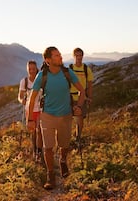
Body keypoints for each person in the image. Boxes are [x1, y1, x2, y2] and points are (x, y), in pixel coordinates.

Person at [27, 46, 86, 190]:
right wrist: (30, 120)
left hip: (65, 115)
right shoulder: (42, 76)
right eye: (56, 55)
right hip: (47, 116)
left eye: (59, 54)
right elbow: (32, 98)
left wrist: (78, 106)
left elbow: (82, 91)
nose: (60, 57)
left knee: (64, 145)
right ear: (48, 60)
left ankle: (63, 161)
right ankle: (50, 175)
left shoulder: (67, 73)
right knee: (48, 147)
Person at [17, 60, 42, 161]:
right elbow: (20, 96)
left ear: (36, 69)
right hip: (29, 110)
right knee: (33, 132)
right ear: (27, 69)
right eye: (29, 69)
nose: (32, 71)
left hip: (40, 108)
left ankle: (39, 152)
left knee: (39, 131)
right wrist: (21, 100)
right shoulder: (24, 81)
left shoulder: (40, 80)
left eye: (33, 69)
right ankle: (35, 150)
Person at [69, 48, 94, 141]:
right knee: (67, 119)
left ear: (82, 56)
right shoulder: (70, 69)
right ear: (73, 56)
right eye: (77, 55)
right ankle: (67, 138)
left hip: (82, 98)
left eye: (80, 55)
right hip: (70, 97)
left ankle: (77, 138)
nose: (79, 57)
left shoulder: (86, 69)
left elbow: (90, 85)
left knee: (80, 121)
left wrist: (90, 97)